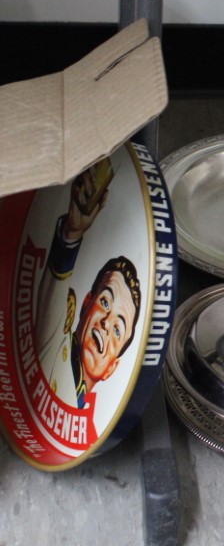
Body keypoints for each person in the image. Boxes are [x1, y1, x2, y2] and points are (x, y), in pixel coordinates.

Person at [34, 161, 142, 410]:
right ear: (85, 303)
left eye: (118, 330)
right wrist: (71, 235)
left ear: (111, 368)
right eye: (105, 302)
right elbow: (51, 309)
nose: (106, 323)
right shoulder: (54, 348)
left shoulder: (90, 414)